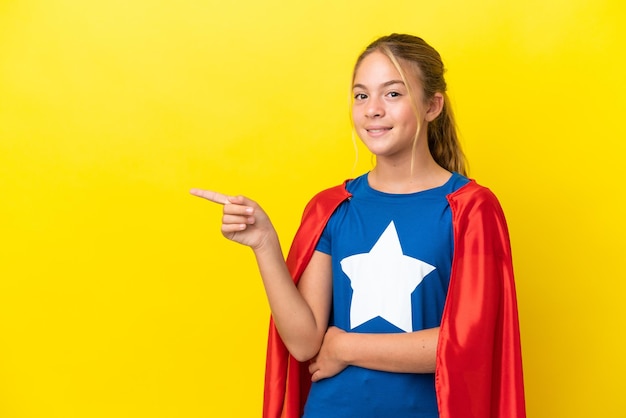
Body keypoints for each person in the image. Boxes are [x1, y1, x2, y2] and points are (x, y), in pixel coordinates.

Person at [191, 34, 525, 418]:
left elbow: (468, 344)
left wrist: (345, 347)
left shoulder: (469, 209)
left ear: (432, 105)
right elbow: (303, 343)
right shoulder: (333, 207)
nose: (373, 110)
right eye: (361, 95)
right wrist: (264, 243)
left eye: (393, 94)